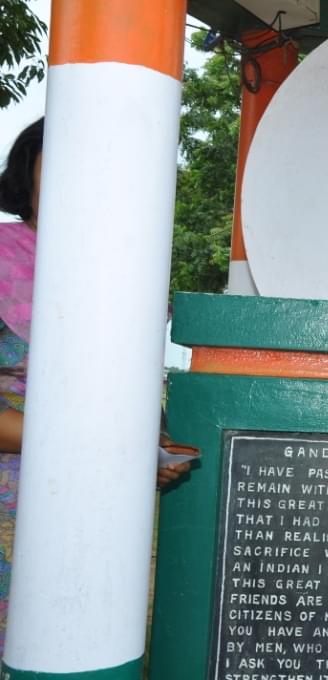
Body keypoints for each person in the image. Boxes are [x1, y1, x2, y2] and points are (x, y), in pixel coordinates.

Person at [0, 118, 193, 652]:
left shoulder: (127, 273)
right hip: (9, 505)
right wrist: (99, 444)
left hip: (95, 513)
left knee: (83, 647)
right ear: (27, 171)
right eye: (61, 163)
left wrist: (153, 447)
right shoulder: (1, 254)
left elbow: (130, 388)